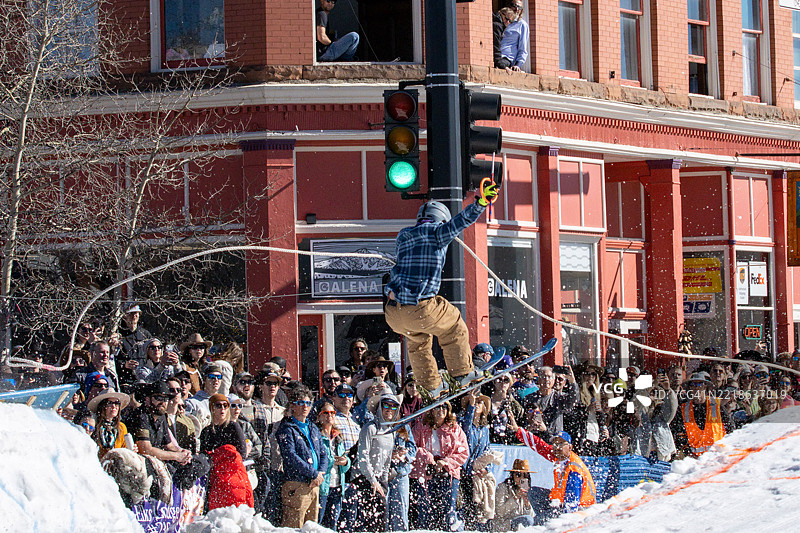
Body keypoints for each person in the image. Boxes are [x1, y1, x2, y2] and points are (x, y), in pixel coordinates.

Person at [384, 192, 497, 399]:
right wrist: (481, 202)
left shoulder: (403, 235)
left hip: (394, 314)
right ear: (441, 219)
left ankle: (430, 386)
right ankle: (463, 373)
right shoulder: (438, 232)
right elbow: (462, 221)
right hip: (420, 307)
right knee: (453, 325)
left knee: (417, 340)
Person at [342, 392, 401, 533]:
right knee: (366, 519)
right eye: (386, 405)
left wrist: (384, 480)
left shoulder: (391, 431)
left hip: (380, 479)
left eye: (393, 406)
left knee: (381, 520)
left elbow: (386, 460)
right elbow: (363, 457)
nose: (389, 409)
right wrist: (373, 481)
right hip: (364, 478)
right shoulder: (370, 428)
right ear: (380, 407)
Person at [410, 402, 469, 531]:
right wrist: (427, 457)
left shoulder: (455, 429)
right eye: (437, 407)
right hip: (425, 474)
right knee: (424, 512)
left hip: (448, 474)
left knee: (448, 512)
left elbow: (463, 452)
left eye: (444, 407)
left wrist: (446, 462)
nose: (441, 410)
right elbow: (411, 447)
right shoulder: (421, 427)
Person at [515, 429, 596, 522]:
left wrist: (558, 520)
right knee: (533, 493)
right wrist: (518, 430)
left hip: (581, 511)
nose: (557, 447)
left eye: (561, 444)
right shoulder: (559, 457)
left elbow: (571, 506)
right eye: (555, 444)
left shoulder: (574, 470)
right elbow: (540, 446)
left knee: (539, 520)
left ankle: (546, 524)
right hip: (560, 503)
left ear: (570, 447)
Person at [276, 385, 329, 528]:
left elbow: (324, 454)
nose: (305, 406)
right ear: (292, 406)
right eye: (301, 403)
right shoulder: (287, 428)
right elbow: (290, 456)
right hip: (296, 484)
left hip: (314, 485)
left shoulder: (313, 427)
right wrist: (313, 473)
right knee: (294, 526)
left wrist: (320, 474)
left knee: (312, 527)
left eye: (308, 403)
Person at [200, 393, 253, 510]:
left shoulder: (233, 427)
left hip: (233, 474)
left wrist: (222, 457)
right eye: (218, 405)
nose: (222, 409)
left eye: (226, 405)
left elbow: (241, 453)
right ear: (212, 408)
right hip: (215, 477)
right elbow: (203, 455)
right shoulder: (206, 431)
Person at [251, 367, 287, 520]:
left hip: (279, 465)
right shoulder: (254, 408)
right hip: (262, 465)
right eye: (268, 383)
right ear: (261, 386)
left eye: (275, 384)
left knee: (279, 509)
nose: (272, 387)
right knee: (264, 508)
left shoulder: (284, 411)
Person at [674, 372, 730, 457]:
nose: (696, 387)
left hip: (718, 457)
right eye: (693, 384)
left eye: (700, 383)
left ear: (705, 386)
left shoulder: (717, 404)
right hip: (695, 459)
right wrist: (686, 451)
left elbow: (731, 428)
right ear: (690, 388)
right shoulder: (683, 408)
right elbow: (678, 434)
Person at [459, 390, 491, 530]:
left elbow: (486, 450)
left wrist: (485, 467)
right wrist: (470, 406)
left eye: (479, 403)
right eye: (475, 402)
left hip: (478, 471)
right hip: (464, 470)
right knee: (464, 505)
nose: (477, 405)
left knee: (479, 506)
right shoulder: (462, 422)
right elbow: (466, 429)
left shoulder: (485, 429)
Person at [317, 401, 351, 530]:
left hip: (337, 485)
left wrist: (345, 461)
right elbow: (318, 460)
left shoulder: (337, 436)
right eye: (325, 413)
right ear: (319, 416)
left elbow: (345, 461)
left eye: (332, 413)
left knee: (333, 524)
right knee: (318, 522)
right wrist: (332, 461)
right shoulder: (317, 435)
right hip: (322, 487)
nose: (329, 415)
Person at [521, 365, 578, 437]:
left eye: (549, 377)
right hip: (535, 438)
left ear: (554, 380)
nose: (546, 379)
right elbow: (523, 420)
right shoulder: (529, 398)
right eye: (543, 376)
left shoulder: (559, 397)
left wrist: (572, 381)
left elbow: (573, 401)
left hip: (554, 439)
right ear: (538, 379)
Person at [492, 459, 536, 531]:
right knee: (527, 520)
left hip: (519, 524)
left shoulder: (526, 488)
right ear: (512, 475)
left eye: (525, 475)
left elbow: (530, 516)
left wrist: (527, 502)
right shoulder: (502, 487)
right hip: (503, 524)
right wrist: (515, 498)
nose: (521, 478)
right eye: (518, 475)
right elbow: (499, 512)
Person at [88, 389, 132, 460]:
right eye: (110, 403)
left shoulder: (121, 427)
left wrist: (130, 451)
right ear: (102, 406)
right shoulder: (94, 425)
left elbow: (124, 450)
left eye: (117, 403)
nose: (114, 406)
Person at [488, 373, 524, 444]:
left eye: (506, 380)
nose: (502, 382)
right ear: (494, 382)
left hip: (507, 441)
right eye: (499, 379)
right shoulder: (487, 401)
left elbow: (519, 424)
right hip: (489, 440)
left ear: (510, 384)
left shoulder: (515, 405)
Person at [496, 6, 529, 72]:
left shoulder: (522, 25)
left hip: (506, 57)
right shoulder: (501, 21)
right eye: (514, 5)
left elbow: (522, 47)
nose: (517, 9)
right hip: (496, 55)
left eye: (519, 7)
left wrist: (518, 65)